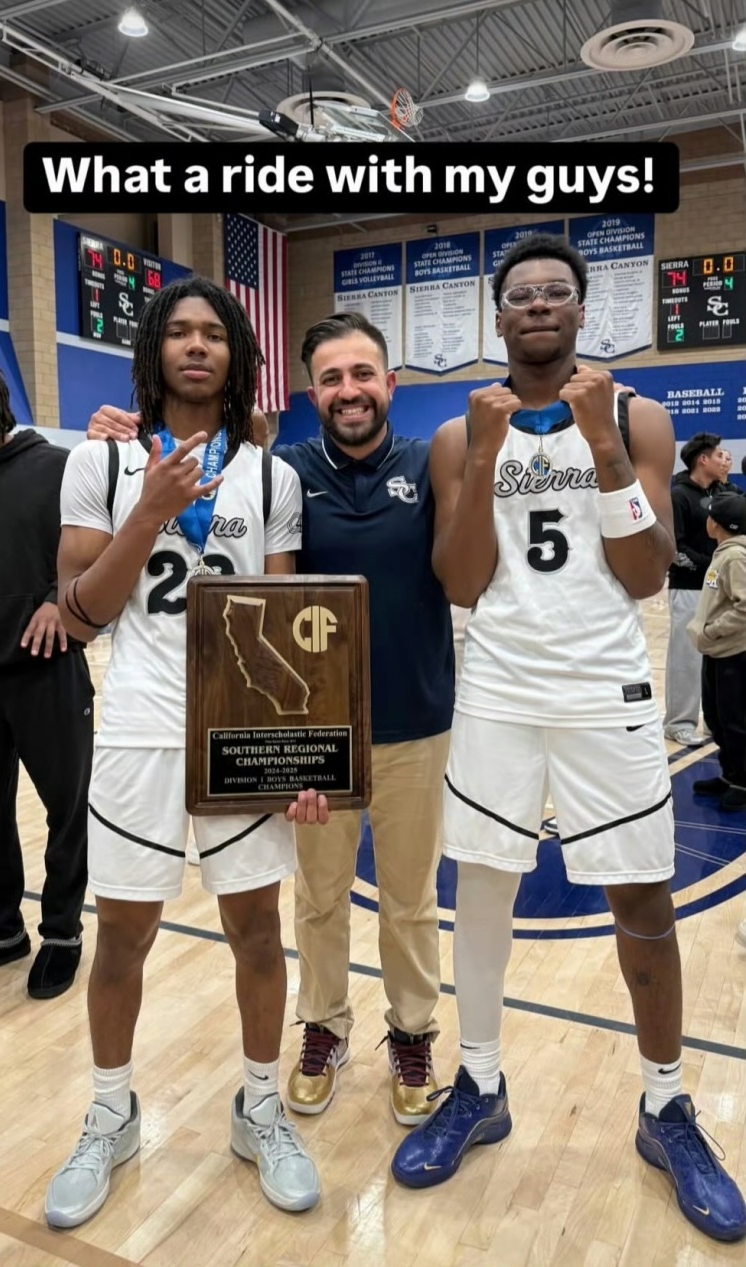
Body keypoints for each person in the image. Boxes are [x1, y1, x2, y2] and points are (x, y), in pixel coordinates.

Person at [390, 234, 746, 1244]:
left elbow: (645, 571)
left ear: (583, 312)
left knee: (642, 893)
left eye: (556, 291)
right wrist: (488, 453)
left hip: (604, 689)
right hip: (500, 689)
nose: (539, 304)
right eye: (521, 294)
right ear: (498, 316)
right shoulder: (461, 433)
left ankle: (665, 1104)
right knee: (483, 886)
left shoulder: (637, 416)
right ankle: (481, 1083)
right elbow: (462, 581)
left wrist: (601, 447)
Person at [87, 311, 455, 1129]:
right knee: (319, 897)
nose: (349, 390)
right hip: (315, 729)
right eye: (331, 378)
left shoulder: (429, 463)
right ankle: (323, 1028)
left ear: (391, 384)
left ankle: (412, 1033)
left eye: (363, 374)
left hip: (416, 717)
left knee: (410, 898)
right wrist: (123, 427)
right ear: (310, 393)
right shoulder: (282, 470)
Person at [45, 277, 327, 1230]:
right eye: (179, 332)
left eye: (214, 332)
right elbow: (79, 611)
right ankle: (110, 1113)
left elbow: (287, 624)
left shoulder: (271, 476)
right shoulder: (100, 459)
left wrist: (298, 756)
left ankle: (260, 1106)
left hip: (240, 730)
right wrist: (149, 510)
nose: (197, 345)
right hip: (137, 728)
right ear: (154, 350)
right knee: (122, 937)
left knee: (258, 931)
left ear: (238, 352)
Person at [0, 368, 94, 999]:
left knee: (66, 808)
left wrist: (62, 600)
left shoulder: (60, 468)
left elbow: (102, 553)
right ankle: (3, 928)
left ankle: (62, 932)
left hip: (48, 668)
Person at [664, 432, 729, 747]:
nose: (724, 460)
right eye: (718, 455)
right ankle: (678, 723)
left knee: (716, 658)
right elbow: (675, 547)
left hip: (719, 588)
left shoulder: (721, 494)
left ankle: (713, 721)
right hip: (689, 586)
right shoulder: (679, 496)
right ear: (702, 459)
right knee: (686, 657)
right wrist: (710, 565)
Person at [688, 492, 746, 812]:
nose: (706, 519)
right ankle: (730, 773)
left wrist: (713, 630)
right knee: (716, 717)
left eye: (710, 515)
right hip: (716, 651)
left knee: (735, 719)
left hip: (733, 652)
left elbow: (744, 607)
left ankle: (742, 781)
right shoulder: (723, 553)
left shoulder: (735, 558)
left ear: (718, 524)